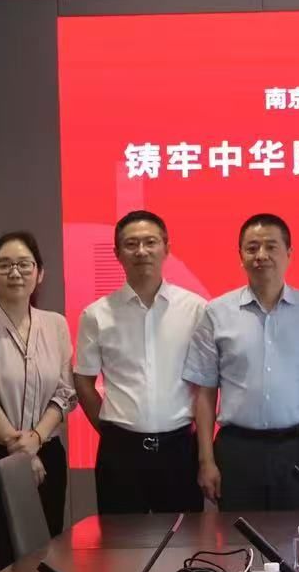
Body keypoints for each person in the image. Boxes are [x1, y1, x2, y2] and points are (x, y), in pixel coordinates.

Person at [186, 214, 299, 512]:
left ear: (289, 253)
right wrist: (206, 460)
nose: (261, 255)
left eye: (271, 247)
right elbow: (205, 393)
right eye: (252, 248)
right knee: (238, 536)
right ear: (241, 256)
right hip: (237, 451)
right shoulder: (217, 312)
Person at [73, 210, 209, 515]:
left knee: (184, 540)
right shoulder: (96, 314)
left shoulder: (195, 309)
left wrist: (204, 455)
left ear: (166, 248)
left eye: (150, 242)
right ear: (117, 253)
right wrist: (109, 429)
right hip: (120, 453)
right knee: (119, 541)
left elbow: (205, 386)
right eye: (131, 244)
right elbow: (83, 380)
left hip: (179, 449)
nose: (141, 251)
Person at [0, 231, 74, 566]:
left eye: (24, 264)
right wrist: (20, 448)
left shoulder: (56, 324)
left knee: (46, 557)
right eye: (4, 265)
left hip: (46, 454)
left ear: (40, 273)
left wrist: (35, 440)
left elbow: (65, 391)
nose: (15, 272)